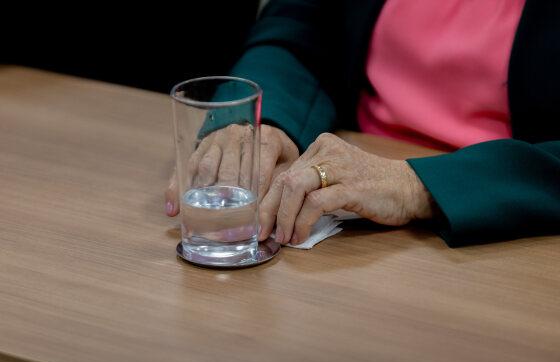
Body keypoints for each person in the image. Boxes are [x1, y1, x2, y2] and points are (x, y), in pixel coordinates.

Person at [166, 0, 560, 247]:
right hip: (349, 199)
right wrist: (262, 121)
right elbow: (301, 23)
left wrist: (416, 185)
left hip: (498, 227)